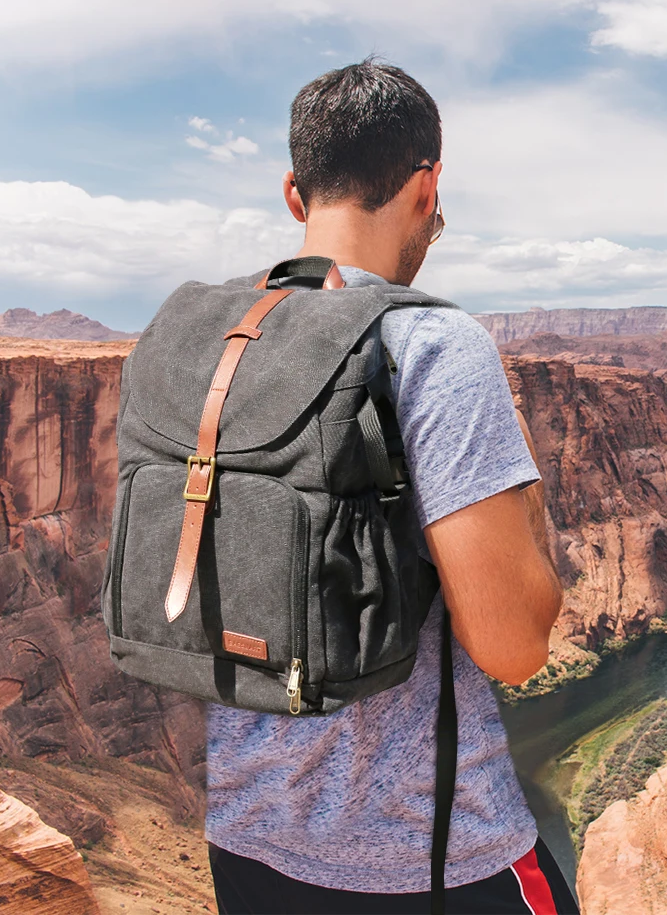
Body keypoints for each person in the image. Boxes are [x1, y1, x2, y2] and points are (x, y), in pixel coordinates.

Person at [205, 58, 579, 915]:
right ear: (428, 185)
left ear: (295, 195)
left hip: (245, 846)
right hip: (432, 862)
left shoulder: (212, 346)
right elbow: (514, 648)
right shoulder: (433, 344)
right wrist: (525, 501)